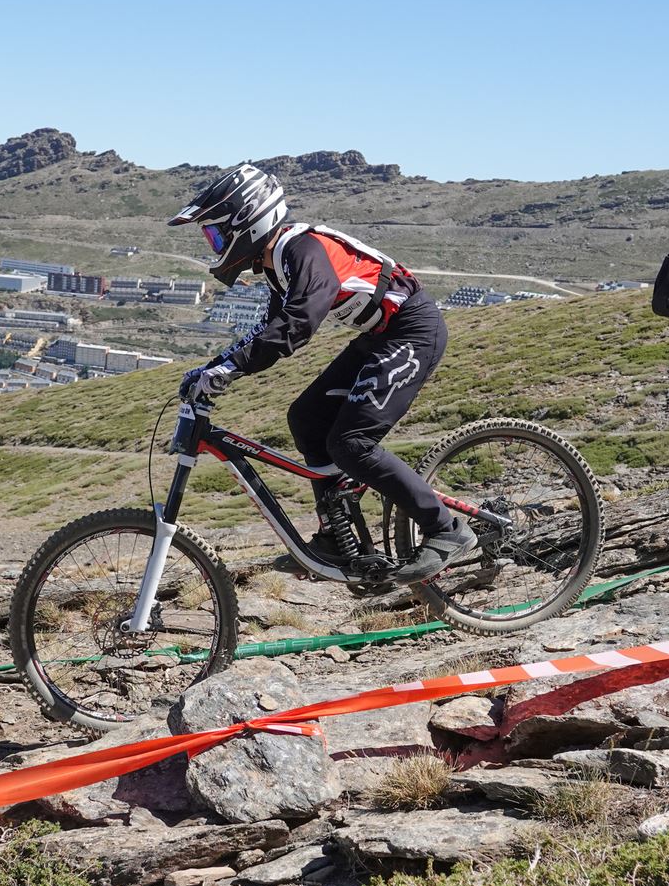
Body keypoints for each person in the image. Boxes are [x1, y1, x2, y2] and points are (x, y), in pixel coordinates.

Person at [169, 163, 473, 583]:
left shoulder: (301, 249)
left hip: (413, 330)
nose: (214, 245)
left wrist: (230, 367)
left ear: (248, 219)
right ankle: (339, 536)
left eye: (216, 234)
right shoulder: (278, 260)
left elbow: (299, 322)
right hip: (382, 334)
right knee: (306, 418)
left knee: (351, 443)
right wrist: (216, 365)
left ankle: (447, 528)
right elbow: (271, 329)